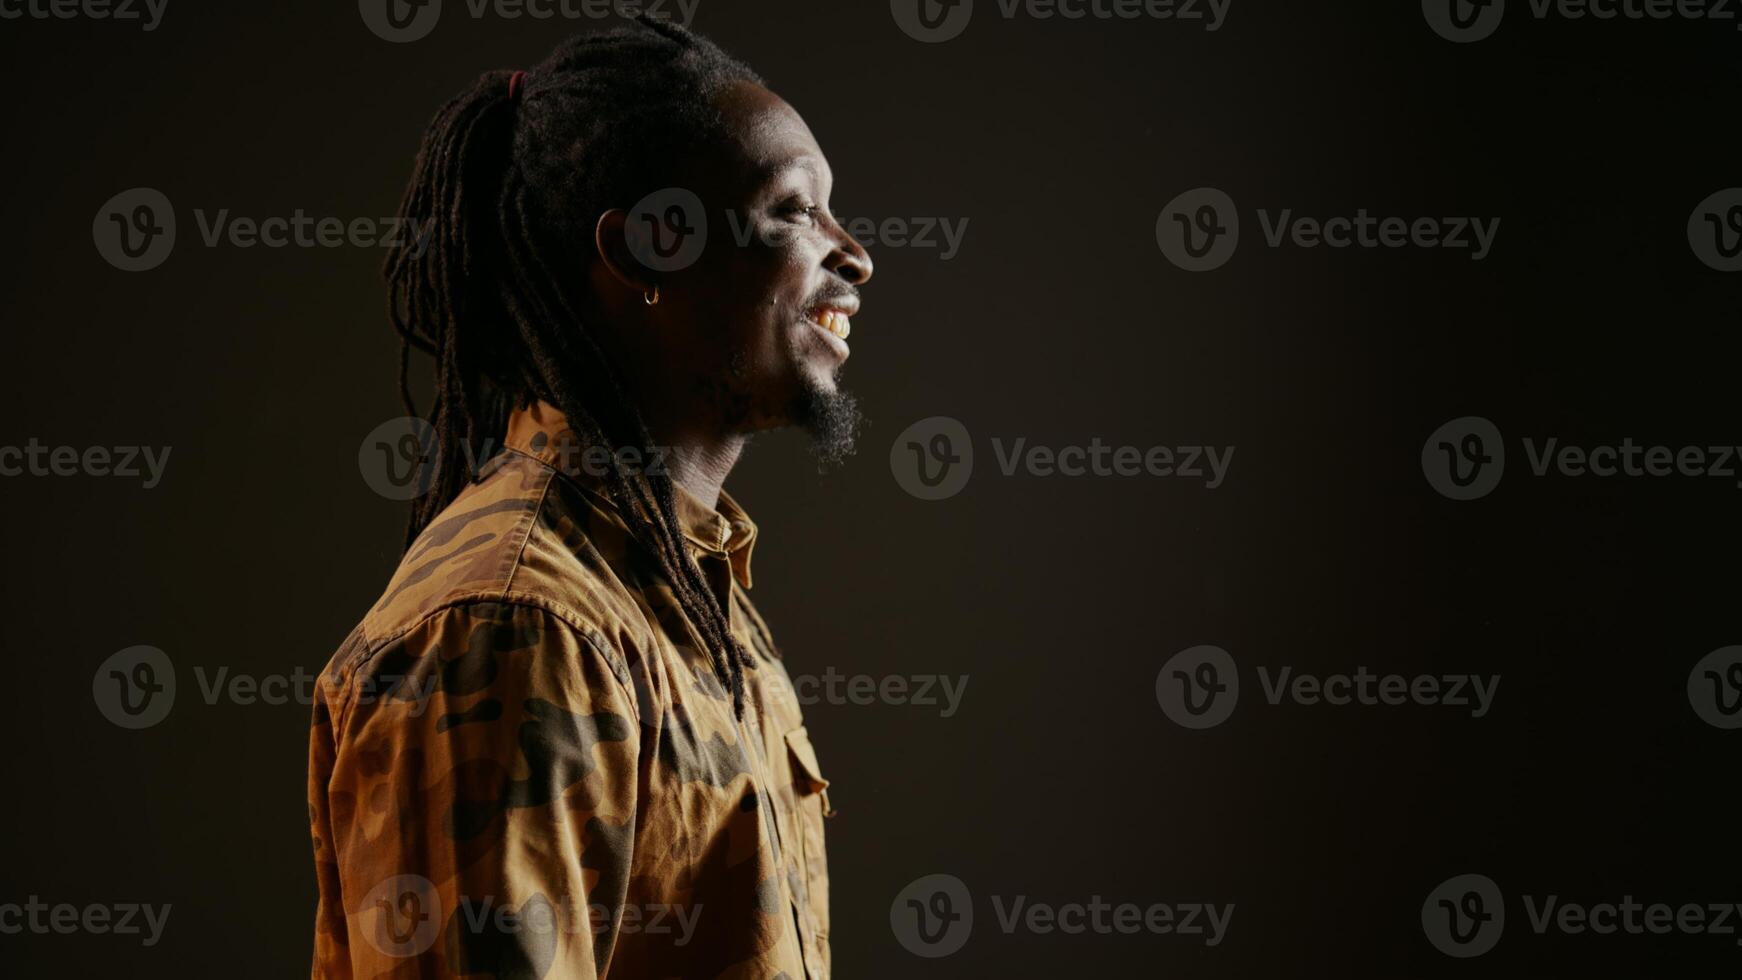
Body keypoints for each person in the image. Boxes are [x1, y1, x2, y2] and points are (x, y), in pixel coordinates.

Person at [307, 18, 872, 979]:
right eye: (791, 211)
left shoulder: (683, 588)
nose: (853, 255)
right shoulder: (517, 628)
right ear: (651, 249)